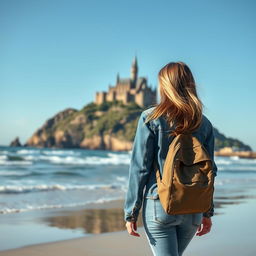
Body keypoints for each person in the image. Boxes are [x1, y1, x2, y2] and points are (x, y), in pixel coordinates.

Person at [123, 61, 218, 256]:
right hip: (193, 208)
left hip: (160, 204)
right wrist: (207, 212)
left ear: (165, 85)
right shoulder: (204, 123)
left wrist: (131, 212)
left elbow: (140, 167)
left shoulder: (151, 117)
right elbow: (210, 170)